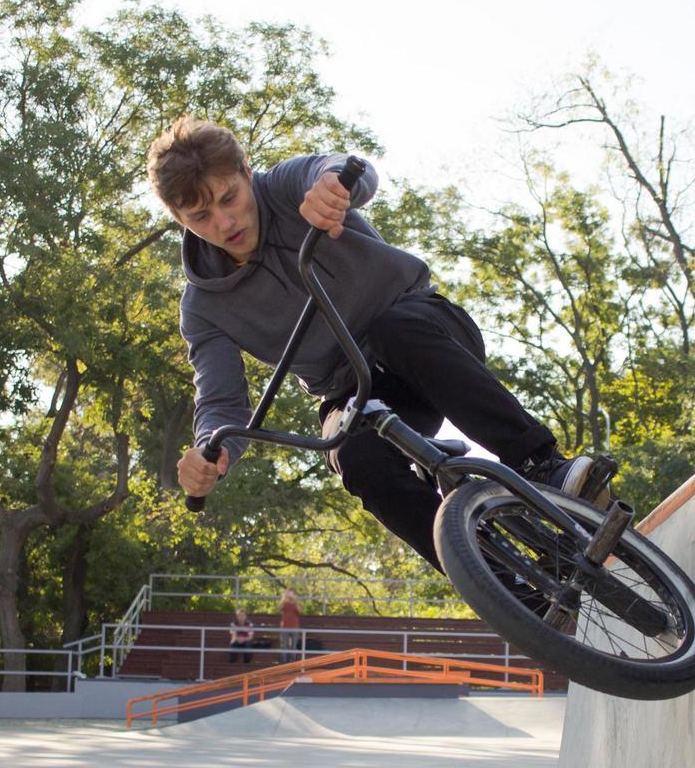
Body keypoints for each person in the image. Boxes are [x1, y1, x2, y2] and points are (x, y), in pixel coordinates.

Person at [148, 115, 614, 570]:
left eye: (230, 197)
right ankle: (503, 583)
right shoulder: (203, 308)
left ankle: (541, 465)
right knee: (354, 455)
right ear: (179, 218)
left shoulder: (287, 187)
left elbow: (348, 168)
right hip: (356, 394)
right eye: (201, 216)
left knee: (393, 330)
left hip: (426, 335)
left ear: (247, 173)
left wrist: (335, 186)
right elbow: (220, 399)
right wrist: (212, 449)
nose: (226, 221)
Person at [278, 589, 303, 661]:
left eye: (292, 594)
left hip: (294, 627)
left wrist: (295, 601)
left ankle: (292, 661)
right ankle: (284, 661)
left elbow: (300, 611)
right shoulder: (284, 602)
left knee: (293, 645)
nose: (290, 595)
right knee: (284, 645)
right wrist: (284, 598)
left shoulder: (296, 603)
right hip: (285, 626)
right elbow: (279, 608)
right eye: (289, 594)